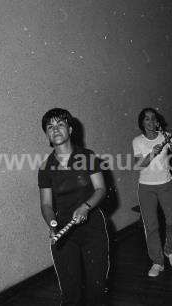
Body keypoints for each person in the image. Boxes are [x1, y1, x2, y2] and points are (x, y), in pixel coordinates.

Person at [38, 108, 109, 305]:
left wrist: (86, 206)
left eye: (60, 124)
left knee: (97, 289)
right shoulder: (45, 167)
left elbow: (101, 189)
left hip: (93, 228)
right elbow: (45, 204)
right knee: (71, 293)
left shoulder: (87, 156)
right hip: (64, 231)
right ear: (47, 134)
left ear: (70, 129)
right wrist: (52, 224)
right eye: (50, 127)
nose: (55, 129)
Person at [132, 108, 172, 277]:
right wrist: (152, 153)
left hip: (166, 184)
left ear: (157, 121)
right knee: (151, 226)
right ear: (142, 123)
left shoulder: (165, 135)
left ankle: (169, 250)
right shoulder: (137, 141)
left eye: (153, 118)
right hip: (146, 188)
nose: (151, 121)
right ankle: (157, 262)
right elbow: (138, 165)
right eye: (147, 119)